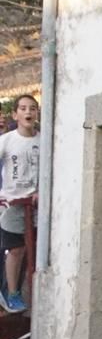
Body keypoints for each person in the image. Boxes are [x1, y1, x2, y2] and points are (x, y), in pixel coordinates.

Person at [0, 94, 41, 314]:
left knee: (31, 248)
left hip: (35, 205)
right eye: (23, 108)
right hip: (12, 202)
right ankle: (12, 293)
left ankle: (27, 292)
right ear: (15, 114)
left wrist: (41, 191)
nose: (28, 112)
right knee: (15, 248)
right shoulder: (6, 141)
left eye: (32, 109)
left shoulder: (43, 140)